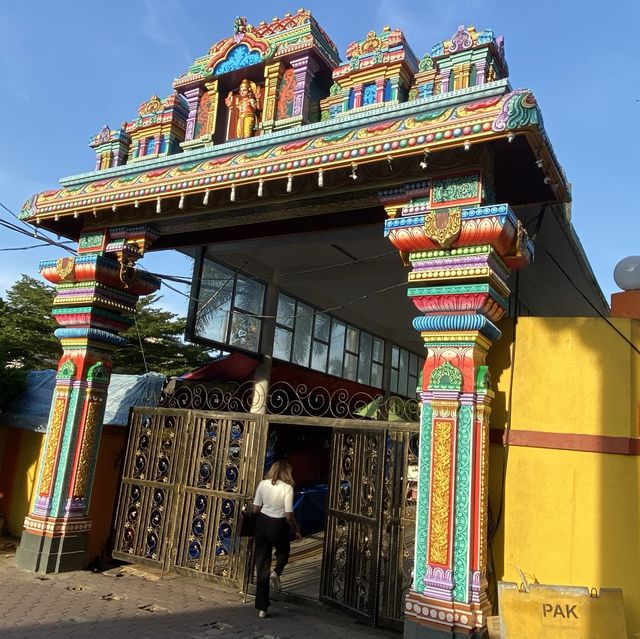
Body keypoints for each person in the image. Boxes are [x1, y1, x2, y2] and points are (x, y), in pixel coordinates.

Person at [252, 458, 301, 618]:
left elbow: (256, 508)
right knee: (283, 552)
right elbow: (289, 514)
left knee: (261, 566)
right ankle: (277, 572)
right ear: (287, 472)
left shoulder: (262, 484)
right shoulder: (287, 488)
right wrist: (296, 530)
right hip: (278, 525)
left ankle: (262, 607)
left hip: (263, 524)